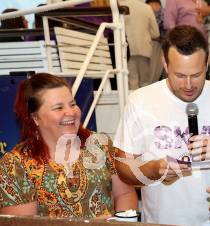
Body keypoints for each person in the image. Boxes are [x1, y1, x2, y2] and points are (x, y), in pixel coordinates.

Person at [114, 25, 210, 226]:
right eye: (180, 75)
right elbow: (123, 167)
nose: (188, 84)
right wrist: (154, 169)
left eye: (196, 74)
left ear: (207, 63)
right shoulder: (140, 101)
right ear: (165, 64)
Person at [0, 73, 138, 218]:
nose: (71, 112)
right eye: (59, 108)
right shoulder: (15, 166)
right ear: (35, 118)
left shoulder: (99, 144)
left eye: (72, 104)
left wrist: (121, 225)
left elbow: (125, 194)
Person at [119, 0, 159, 89]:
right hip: (144, 48)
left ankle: (132, 102)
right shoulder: (146, 8)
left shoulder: (118, 6)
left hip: (125, 48)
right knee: (145, 83)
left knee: (131, 82)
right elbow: (156, 33)